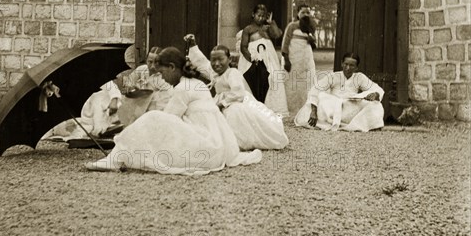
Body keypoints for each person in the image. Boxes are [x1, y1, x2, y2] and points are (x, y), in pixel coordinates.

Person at [85, 47, 263, 174]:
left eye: (162, 73)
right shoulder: (196, 83)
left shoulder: (182, 89)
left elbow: (167, 119)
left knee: (153, 117)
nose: (161, 77)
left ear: (172, 67)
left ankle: (117, 157)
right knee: (153, 119)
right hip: (215, 143)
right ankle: (120, 155)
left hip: (206, 146)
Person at [43, 46, 172, 141]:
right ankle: (104, 128)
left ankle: (109, 129)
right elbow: (128, 84)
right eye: (150, 62)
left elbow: (163, 101)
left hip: (148, 107)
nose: (153, 66)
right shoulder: (142, 70)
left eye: (157, 62)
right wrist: (129, 89)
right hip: (132, 102)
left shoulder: (164, 78)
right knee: (99, 97)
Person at [185, 35, 288, 151]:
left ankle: (237, 142)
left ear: (229, 60)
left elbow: (238, 93)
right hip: (223, 100)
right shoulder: (214, 72)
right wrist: (192, 44)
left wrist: (221, 104)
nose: (217, 64)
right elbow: (202, 62)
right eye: (213, 60)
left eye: (221, 59)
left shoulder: (232, 73)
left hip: (236, 101)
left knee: (234, 114)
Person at [294, 52, 385, 131]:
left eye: (352, 65)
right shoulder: (333, 76)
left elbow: (377, 88)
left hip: (350, 108)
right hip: (332, 108)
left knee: (376, 104)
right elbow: (316, 89)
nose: (348, 68)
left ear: (356, 67)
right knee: (320, 96)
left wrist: (375, 94)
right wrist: (313, 111)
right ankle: (329, 121)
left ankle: (368, 124)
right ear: (342, 64)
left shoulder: (359, 77)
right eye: (346, 64)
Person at [237, 4, 289, 116]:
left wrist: (271, 23)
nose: (260, 18)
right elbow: (243, 47)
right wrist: (251, 58)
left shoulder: (267, 28)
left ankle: (271, 107)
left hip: (269, 58)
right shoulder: (248, 29)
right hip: (254, 58)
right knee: (254, 82)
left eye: (263, 16)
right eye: (258, 15)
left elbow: (277, 35)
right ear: (253, 14)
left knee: (273, 78)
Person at [281, 3, 317, 116]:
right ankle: (292, 108)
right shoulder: (292, 26)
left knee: (307, 81)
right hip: (294, 55)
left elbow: (314, 45)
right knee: (292, 80)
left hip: (306, 56)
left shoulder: (312, 25)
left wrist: (312, 39)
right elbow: (285, 42)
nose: (305, 14)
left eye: (308, 12)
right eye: (303, 12)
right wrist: (286, 58)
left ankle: (305, 107)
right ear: (298, 14)